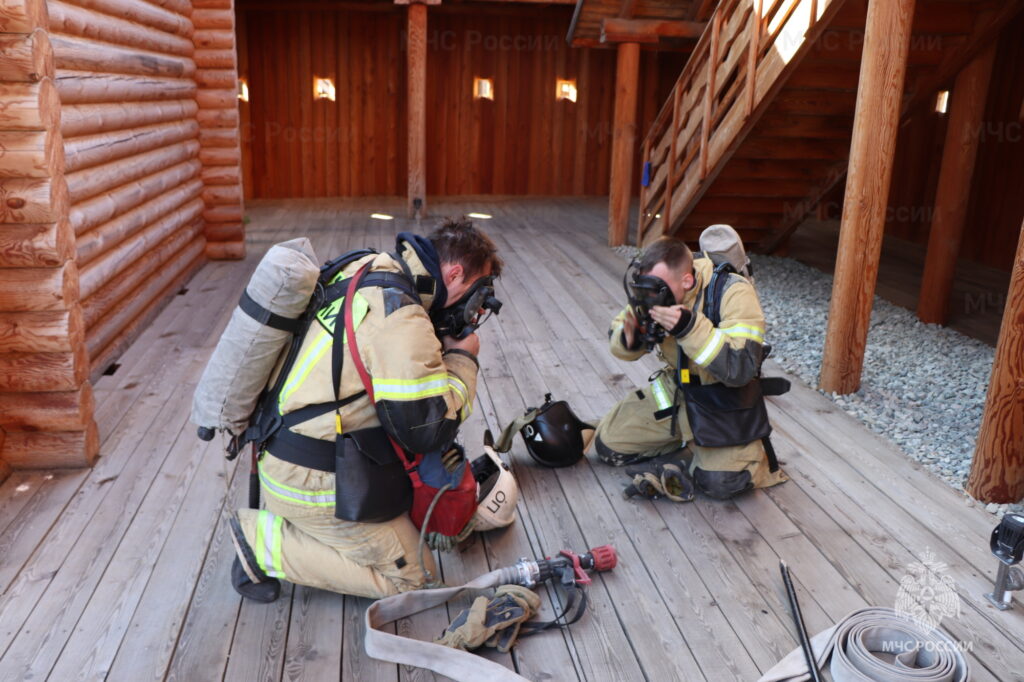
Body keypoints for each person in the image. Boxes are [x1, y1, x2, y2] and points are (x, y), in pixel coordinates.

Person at [228, 219, 502, 602]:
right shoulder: (401, 315)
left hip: (282, 450)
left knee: (397, 535)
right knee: (417, 577)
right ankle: (262, 547)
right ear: (454, 274)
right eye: (476, 294)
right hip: (313, 482)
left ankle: (313, 527)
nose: (475, 310)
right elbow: (427, 429)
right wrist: (461, 358)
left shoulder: (369, 268)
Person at [593, 236, 787, 500]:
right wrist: (630, 339)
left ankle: (729, 456)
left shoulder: (733, 291)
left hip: (723, 399)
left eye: (656, 289)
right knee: (609, 446)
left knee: (720, 482)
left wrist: (689, 328)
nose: (649, 296)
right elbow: (620, 329)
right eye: (644, 288)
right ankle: (691, 449)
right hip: (676, 388)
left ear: (687, 281)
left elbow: (741, 368)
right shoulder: (654, 289)